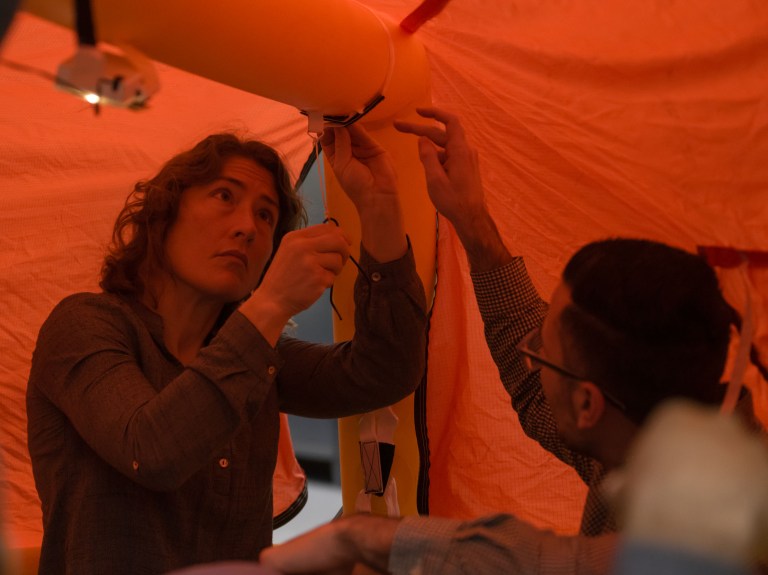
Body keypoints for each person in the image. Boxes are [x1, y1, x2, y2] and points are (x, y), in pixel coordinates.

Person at [259, 107, 752, 575]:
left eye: (543, 349)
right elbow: (531, 371)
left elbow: (546, 562)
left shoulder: (722, 524)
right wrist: (471, 221)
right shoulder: (648, 428)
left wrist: (360, 536)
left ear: (587, 404)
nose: (528, 351)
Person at [26, 124, 427, 574]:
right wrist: (272, 303)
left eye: (266, 216)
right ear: (164, 213)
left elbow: (385, 372)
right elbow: (151, 450)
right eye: (224, 197)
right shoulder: (84, 325)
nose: (246, 228)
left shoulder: (259, 357)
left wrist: (381, 210)